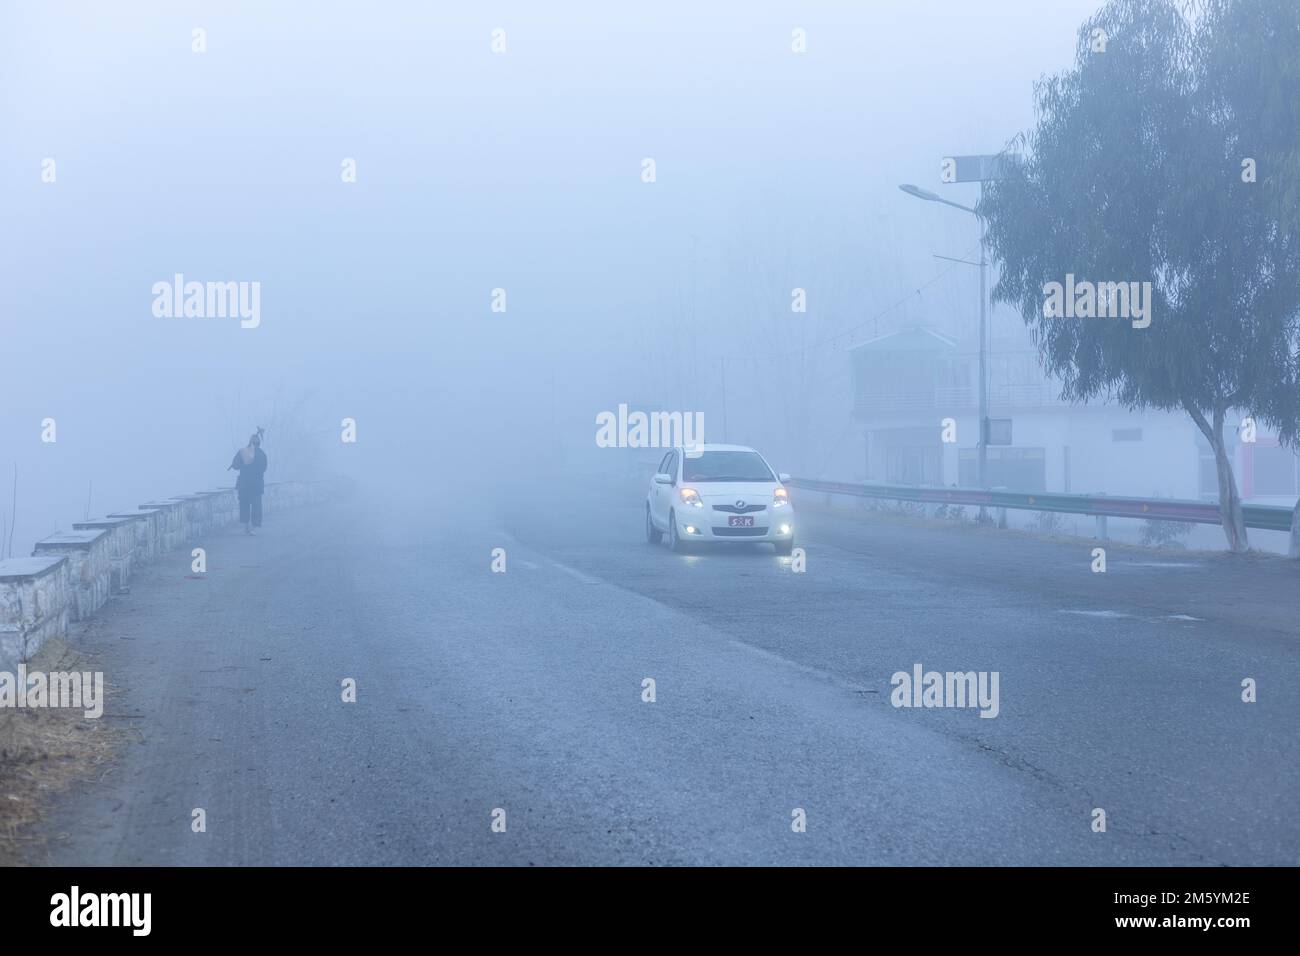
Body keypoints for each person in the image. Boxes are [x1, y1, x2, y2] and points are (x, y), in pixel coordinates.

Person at [228, 428, 268, 535]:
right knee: (256, 506)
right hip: (256, 485)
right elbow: (264, 468)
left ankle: (245, 527)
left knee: (244, 505)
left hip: (244, 484)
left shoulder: (243, 452)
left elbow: (235, 465)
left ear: (250, 442)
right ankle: (253, 528)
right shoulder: (262, 454)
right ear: (258, 443)